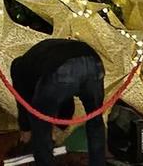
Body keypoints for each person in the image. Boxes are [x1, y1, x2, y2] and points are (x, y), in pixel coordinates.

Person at [10, 38, 108, 166]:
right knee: (95, 120)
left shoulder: (20, 69)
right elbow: (67, 98)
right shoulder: (39, 57)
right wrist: (58, 127)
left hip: (62, 68)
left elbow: (24, 104)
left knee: (40, 125)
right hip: (93, 62)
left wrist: (26, 129)